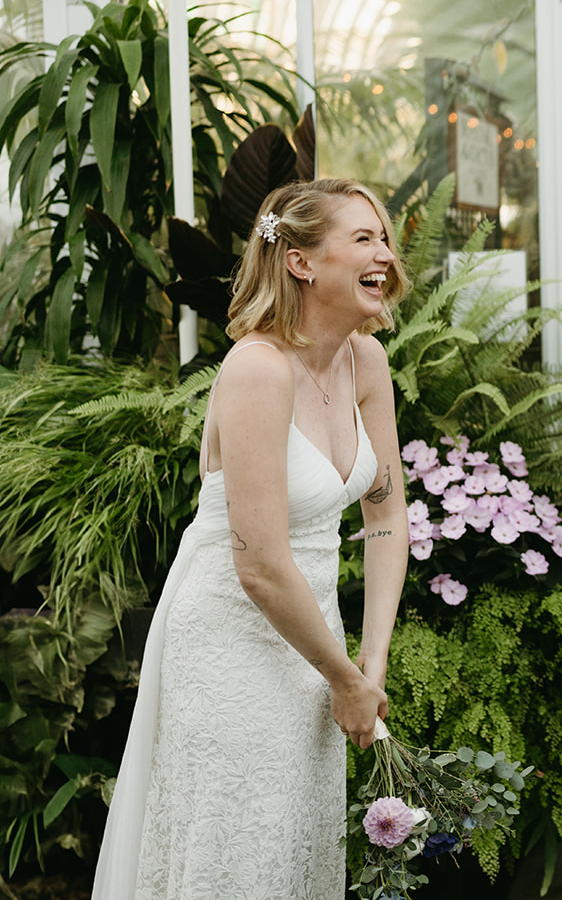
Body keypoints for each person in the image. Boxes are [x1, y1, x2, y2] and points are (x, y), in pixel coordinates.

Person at [94, 178, 413, 899]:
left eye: (383, 239)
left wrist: (369, 661)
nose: (385, 256)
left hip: (315, 643)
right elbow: (262, 565)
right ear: (300, 261)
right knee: (238, 855)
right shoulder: (256, 369)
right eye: (363, 239)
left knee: (296, 846)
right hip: (232, 642)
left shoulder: (368, 363)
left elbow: (387, 515)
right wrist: (345, 679)